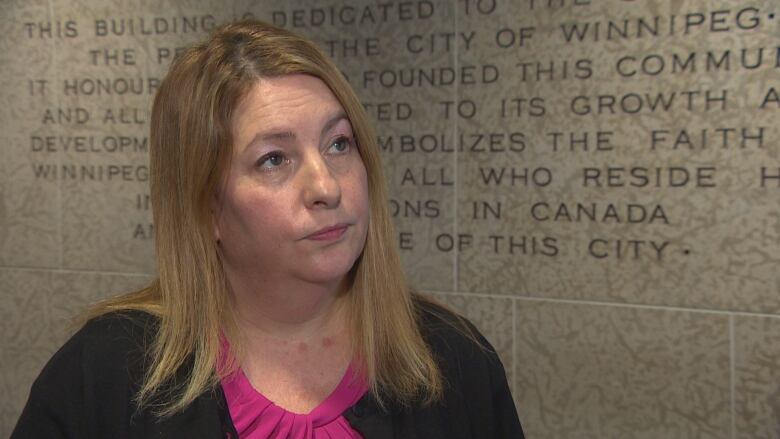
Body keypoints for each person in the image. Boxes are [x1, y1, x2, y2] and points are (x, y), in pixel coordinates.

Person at [11, 19, 523, 438]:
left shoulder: (453, 357)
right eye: (274, 159)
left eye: (339, 144)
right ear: (207, 208)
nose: (327, 185)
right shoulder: (105, 370)